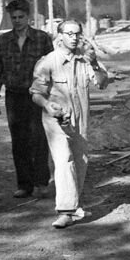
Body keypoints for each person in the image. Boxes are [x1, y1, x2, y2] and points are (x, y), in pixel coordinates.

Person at [29, 19, 109, 230]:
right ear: (60, 36)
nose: (74, 38)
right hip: (56, 120)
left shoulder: (86, 60)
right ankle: (65, 211)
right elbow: (36, 94)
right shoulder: (48, 62)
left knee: (80, 160)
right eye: (69, 34)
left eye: (77, 34)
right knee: (64, 160)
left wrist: (94, 63)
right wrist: (48, 105)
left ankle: (74, 205)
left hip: (80, 120)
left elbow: (102, 83)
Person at [0, 0, 54, 199]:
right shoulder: (3, 41)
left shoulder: (42, 38)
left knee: (39, 139)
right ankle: (24, 185)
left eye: (20, 17)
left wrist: (55, 96)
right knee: (19, 141)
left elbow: (54, 68)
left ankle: (41, 182)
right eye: (13, 17)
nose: (17, 21)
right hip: (14, 97)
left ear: (28, 17)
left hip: (37, 96)